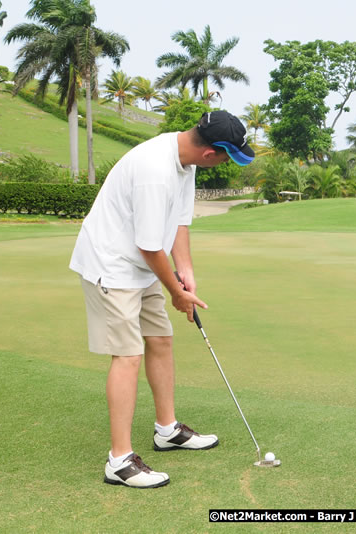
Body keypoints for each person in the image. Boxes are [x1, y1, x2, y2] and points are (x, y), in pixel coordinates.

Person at [69, 110, 255, 488]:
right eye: (227, 157)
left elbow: (178, 223)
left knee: (161, 339)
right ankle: (119, 462)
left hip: (141, 265)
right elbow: (150, 246)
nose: (225, 164)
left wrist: (185, 269)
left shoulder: (185, 163)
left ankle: (166, 430)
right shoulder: (155, 170)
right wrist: (176, 293)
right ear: (210, 153)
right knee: (128, 355)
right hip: (112, 264)